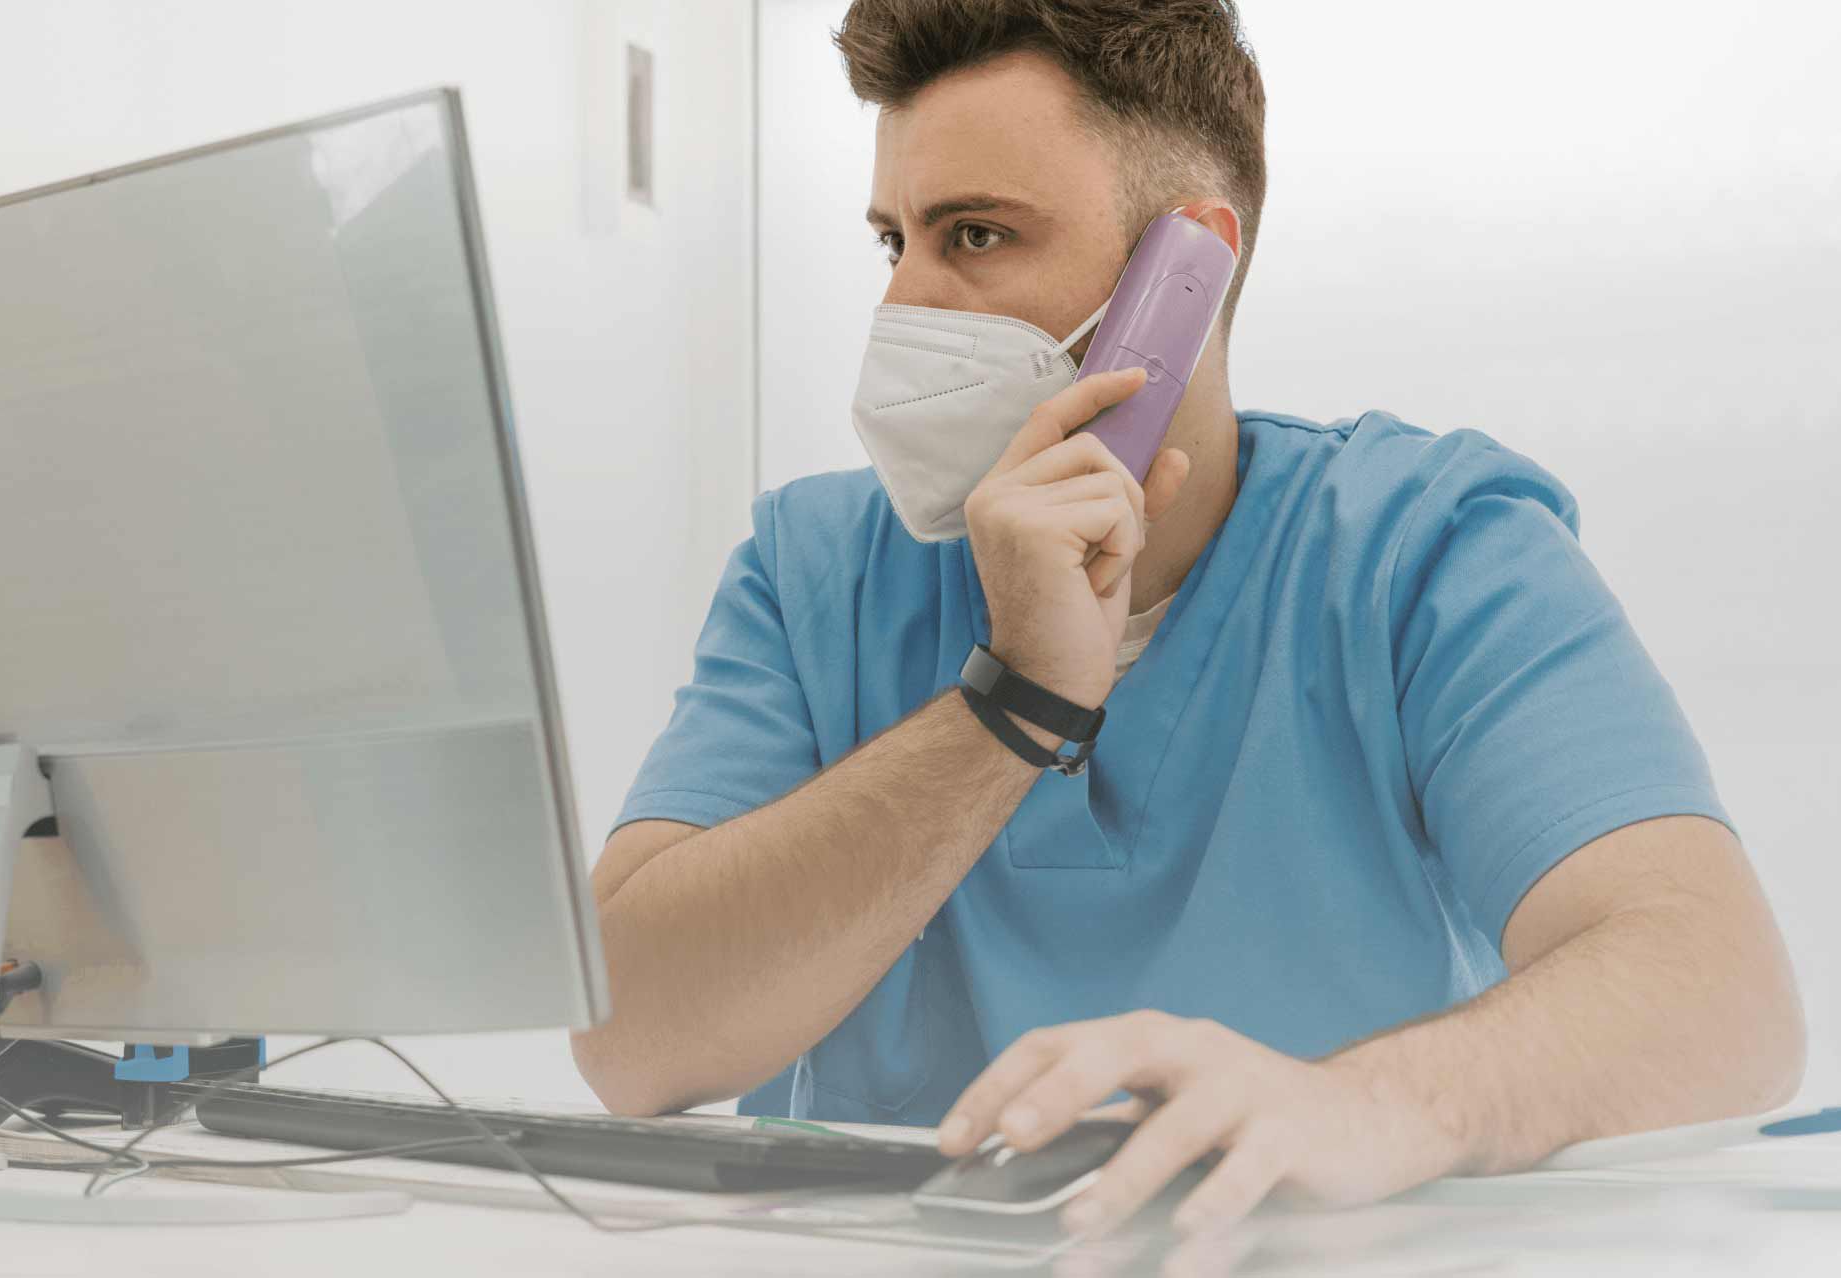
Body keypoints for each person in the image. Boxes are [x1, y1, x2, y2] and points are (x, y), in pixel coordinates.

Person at [572, 0, 1805, 1246]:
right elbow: (625, 1040)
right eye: (891, 239)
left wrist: (1351, 1106)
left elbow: (1717, 995)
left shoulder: (1426, 549)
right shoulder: (811, 566)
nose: (903, 302)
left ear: (1186, 270)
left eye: (976, 235)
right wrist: (1014, 704)